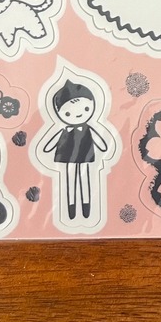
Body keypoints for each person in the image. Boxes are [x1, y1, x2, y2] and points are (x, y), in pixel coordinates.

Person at [41, 79, 110, 221]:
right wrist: (48, 147)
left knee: (84, 179)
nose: (78, 115)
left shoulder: (87, 129)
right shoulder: (66, 130)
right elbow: (50, 144)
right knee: (70, 180)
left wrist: (103, 147)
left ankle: (86, 205)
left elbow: (102, 143)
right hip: (68, 155)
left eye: (86, 109)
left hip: (85, 154)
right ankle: (71, 207)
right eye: (68, 114)